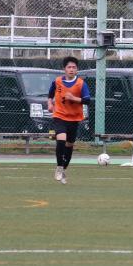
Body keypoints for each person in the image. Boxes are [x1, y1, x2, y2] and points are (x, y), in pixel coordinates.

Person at [47, 56, 91, 184]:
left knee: (69, 145)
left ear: (77, 70)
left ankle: (64, 169)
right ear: (64, 69)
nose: (71, 69)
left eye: (74, 67)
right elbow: (50, 94)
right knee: (61, 139)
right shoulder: (57, 81)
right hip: (60, 116)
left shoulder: (81, 84)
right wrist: (50, 103)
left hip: (74, 118)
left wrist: (73, 98)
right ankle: (59, 167)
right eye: (69, 67)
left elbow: (87, 100)